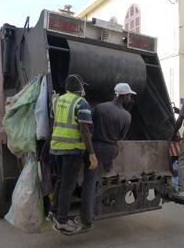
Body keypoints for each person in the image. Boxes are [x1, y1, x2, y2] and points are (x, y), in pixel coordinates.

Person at [78, 83, 135, 230]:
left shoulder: (100, 108)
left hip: (96, 148)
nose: (130, 97)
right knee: (107, 166)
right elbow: (122, 137)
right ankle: (108, 169)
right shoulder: (127, 116)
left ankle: (87, 219)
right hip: (111, 151)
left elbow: (90, 128)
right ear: (122, 96)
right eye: (129, 95)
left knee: (89, 183)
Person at [49, 74, 98, 235]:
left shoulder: (56, 101)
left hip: (56, 148)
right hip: (72, 149)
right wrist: (91, 153)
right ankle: (62, 221)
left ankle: (54, 212)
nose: (83, 89)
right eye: (82, 86)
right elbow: (84, 130)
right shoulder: (81, 103)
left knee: (61, 181)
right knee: (68, 185)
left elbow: (52, 123)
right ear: (79, 88)